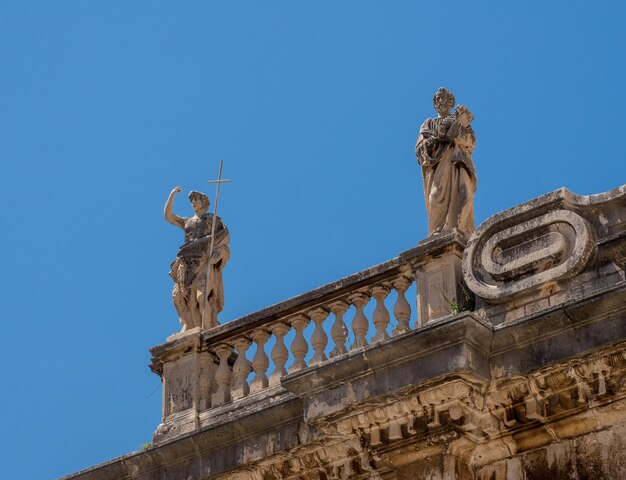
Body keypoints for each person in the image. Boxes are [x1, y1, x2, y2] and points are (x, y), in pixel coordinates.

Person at [164, 187, 230, 331]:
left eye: (196, 199)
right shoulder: (187, 222)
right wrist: (172, 194)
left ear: (204, 202)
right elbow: (168, 216)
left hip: (204, 262)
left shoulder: (213, 220)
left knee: (201, 296)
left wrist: (219, 253)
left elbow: (224, 240)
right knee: (184, 300)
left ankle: (207, 328)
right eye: (191, 200)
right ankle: (191, 326)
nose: (193, 202)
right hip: (187, 264)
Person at [415, 88, 477, 236]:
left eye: (444, 99)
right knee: (436, 195)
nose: (441, 102)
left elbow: (471, 141)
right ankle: (437, 231)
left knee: (462, 193)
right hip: (438, 166)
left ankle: (458, 228)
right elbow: (420, 150)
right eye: (438, 100)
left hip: (457, 162)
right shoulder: (428, 124)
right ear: (435, 104)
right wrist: (438, 137)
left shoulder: (461, 121)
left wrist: (457, 131)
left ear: (451, 103)